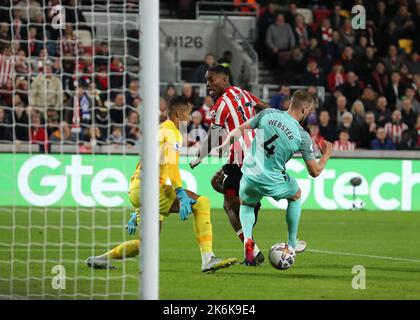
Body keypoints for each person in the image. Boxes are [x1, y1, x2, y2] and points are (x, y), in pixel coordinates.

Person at [86, 96, 237, 273]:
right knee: (202, 203)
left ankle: (99, 259)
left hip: (138, 187)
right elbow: (171, 165)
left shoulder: (158, 131)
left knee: (148, 244)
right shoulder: (173, 132)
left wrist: (139, 207)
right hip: (151, 189)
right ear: (179, 114)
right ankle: (208, 259)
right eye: (188, 114)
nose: (189, 119)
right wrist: (180, 192)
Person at [214, 90, 333, 265]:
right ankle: (292, 244)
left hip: (249, 174)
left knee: (247, 204)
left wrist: (224, 145)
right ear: (305, 109)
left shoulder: (267, 114)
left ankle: (248, 244)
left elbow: (239, 131)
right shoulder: (302, 136)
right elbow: (314, 172)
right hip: (272, 179)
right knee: (296, 195)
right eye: (310, 110)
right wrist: (326, 156)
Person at [189, 65, 269, 264]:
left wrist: (197, 159)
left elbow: (213, 139)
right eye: (207, 81)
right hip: (257, 157)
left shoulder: (219, 107)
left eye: (212, 80)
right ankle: (252, 250)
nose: (209, 85)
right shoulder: (243, 93)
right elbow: (266, 108)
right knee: (231, 195)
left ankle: (251, 248)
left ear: (225, 80)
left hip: (239, 159)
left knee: (230, 204)